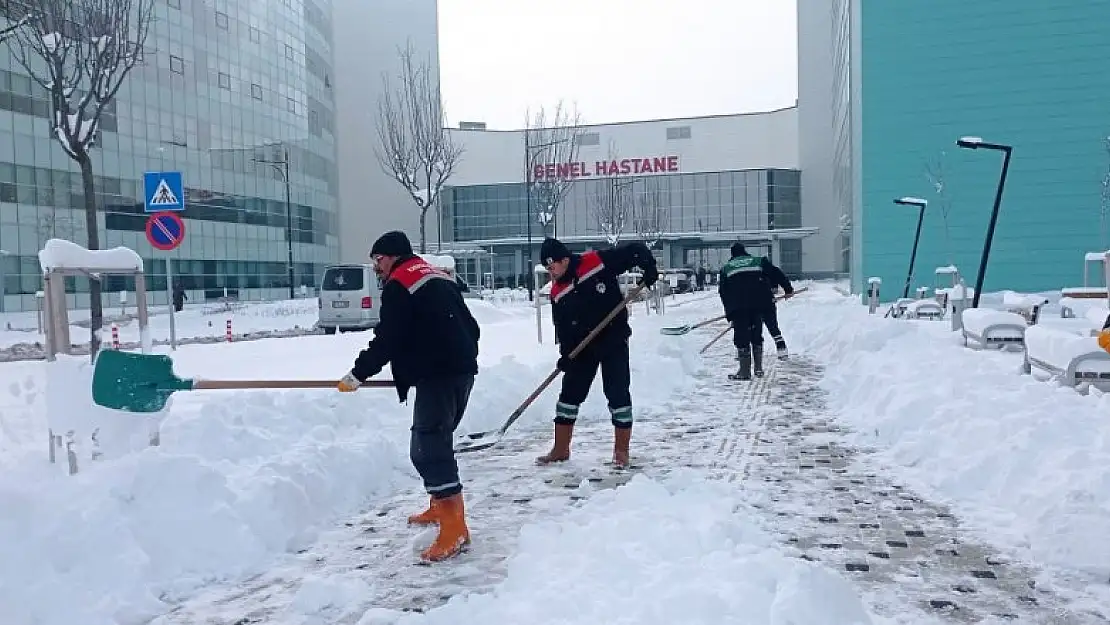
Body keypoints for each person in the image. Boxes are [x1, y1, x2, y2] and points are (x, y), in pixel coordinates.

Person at [337, 231, 480, 562]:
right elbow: (471, 328)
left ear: (391, 256)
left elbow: (387, 338)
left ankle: (455, 527)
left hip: (440, 374)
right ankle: (439, 508)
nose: (376, 268)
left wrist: (358, 374)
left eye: (378, 260)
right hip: (460, 370)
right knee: (437, 440)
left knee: (427, 448)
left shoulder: (401, 284)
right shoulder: (437, 277)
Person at [534, 237, 659, 469]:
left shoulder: (596, 262)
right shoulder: (557, 292)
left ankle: (621, 452)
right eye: (547, 269)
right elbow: (561, 328)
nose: (550, 273)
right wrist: (566, 355)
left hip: (613, 339)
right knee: (569, 396)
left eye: (552, 267)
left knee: (617, 393)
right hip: (582, 348)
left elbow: (635, 250)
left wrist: (648, 266)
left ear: (564, 260)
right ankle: (560, 449)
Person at [718, 242, 794, 381]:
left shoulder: (726, 268)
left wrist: (730, 314)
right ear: (745, 251)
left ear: (732, 254)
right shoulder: (758, 261)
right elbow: (776, 272)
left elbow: (723, 292)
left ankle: (744, 371)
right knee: (756, 332)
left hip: (739, 306)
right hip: (760, 304)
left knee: (741, 337)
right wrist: (788, 289)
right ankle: (758, 368)